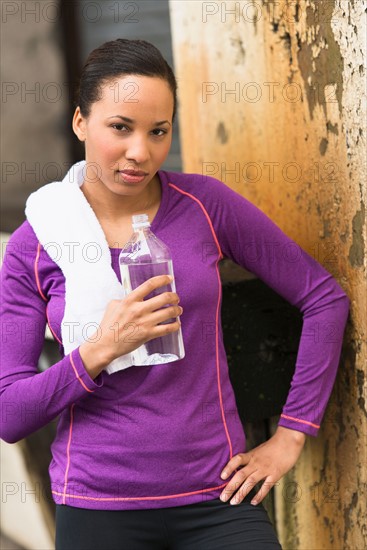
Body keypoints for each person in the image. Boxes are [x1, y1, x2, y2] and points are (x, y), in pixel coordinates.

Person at [0, 39, 349, 550]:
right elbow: (11, 414)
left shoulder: (206, 205)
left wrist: (291, 434)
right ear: (80, 122)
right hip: (99, 505)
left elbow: (324, 299)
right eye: (120, 127)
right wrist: (102, 348)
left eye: (158, 131)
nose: (140, 152)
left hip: (219, 497)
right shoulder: (36, 243)